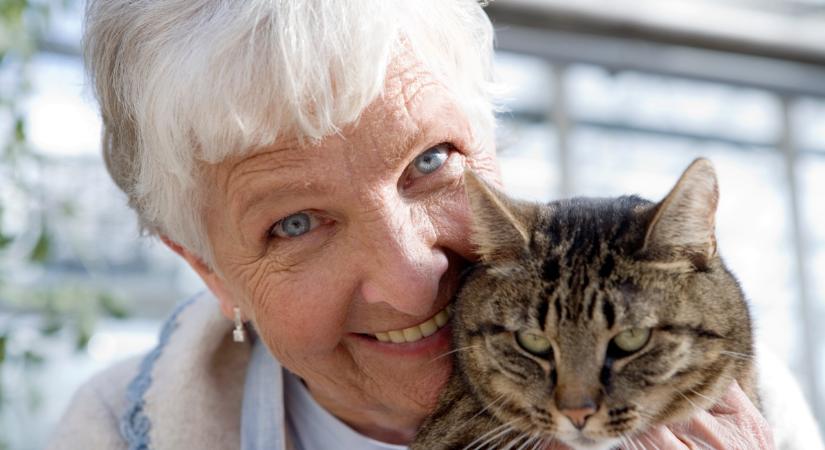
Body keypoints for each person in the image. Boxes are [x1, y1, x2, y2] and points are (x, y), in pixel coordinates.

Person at [47, 1, 777, 448]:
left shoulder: (746, 398)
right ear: (209, 270)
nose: (410, 282)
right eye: (295, 223)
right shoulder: (113, 433)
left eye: (430, 160)